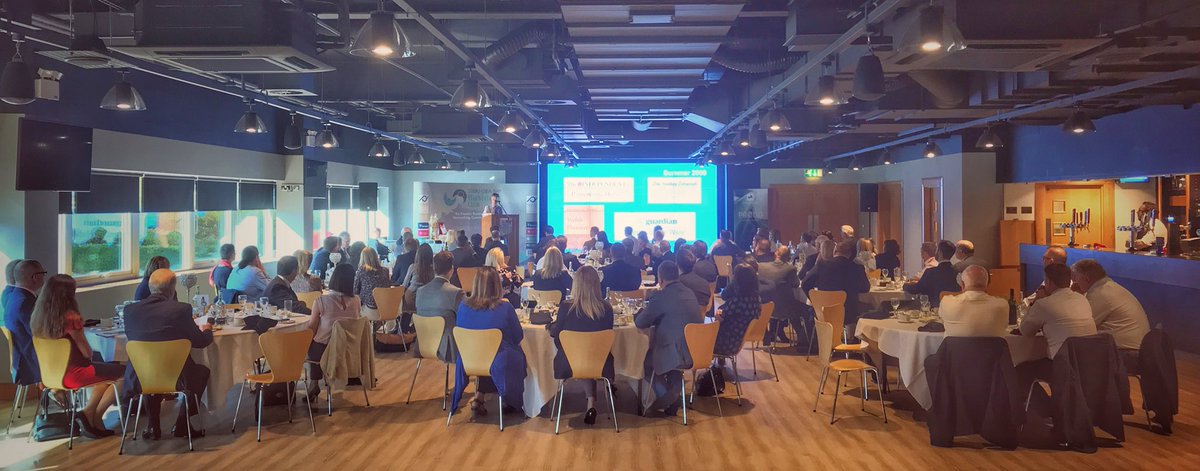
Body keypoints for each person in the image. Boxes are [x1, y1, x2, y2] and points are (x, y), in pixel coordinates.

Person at [122, 269, 212, 440]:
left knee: (151, 370)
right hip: (176, 375)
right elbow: (200, 342)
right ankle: (182, 424)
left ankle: (152, 426)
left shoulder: (130, 310)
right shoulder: (180, 310)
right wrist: (208, 330)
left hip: (140, 377)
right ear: (173, 288)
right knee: (201, 372)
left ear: (150, 287)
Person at [31, 274, 124, 438]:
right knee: (125, 374)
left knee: (104, 379)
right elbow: (87, 354)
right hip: (74, 374)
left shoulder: (38, 318)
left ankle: (91, 416)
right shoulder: (71, 319)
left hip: (51, 374)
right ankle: (92, 414)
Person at [450, 267, 527, 417]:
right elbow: (518, 337)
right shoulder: (505, 307)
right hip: (496, 360)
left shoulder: (463, 307)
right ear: (497, 285)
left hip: (469, 359)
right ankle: (510, 399)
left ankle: (479, 396)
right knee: (512, 355)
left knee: (487, 351)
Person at [548, 265, 614, 425]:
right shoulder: (606, 308)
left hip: (569, 363)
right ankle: (591, 403)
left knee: (580, 354)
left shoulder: (565, 307)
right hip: (600, 362)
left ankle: (591, 402)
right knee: (589, 354)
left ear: (576, 284)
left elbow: (558, 340)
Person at [635, 261, 701, 417]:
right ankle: (675, 390)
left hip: (676, 353)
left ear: (661, 279)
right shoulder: (690, 293)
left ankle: (668, 397)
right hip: (696, 350)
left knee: (643, 362)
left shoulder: (660, 297)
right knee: (668, 352)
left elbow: (641, 322)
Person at [1017, 263, 1097, 382]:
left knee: (1019, 370)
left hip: (1062, 365)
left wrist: (1036, 301)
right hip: (1090, 364)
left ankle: (1042, 401)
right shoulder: (1082, 299)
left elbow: (1025, 331)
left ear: (1048, 282)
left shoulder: (1044, 304)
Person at [1071, 259, 1150, 371]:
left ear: (1086, 278)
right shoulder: (1109, 287)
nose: (1073, 282)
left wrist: (1072, 296)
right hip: (1139, 350)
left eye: (1075, 278)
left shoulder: (1100, 294)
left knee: (1074, 356)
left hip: (1127, 354)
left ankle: (1086, 388)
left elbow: (1079, 325)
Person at [305, 264, 362, 401]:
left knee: (313, 343)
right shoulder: (356, 300)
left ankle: (314, 382)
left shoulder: (321, 301)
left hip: (325, 350)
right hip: (349, 348)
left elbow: (311, 328)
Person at [802, 239, 871, 324]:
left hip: (823, 311)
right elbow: (866, 288)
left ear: (834, 251)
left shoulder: (822, 265)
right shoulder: (857, 268)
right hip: (848, 313)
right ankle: (852, 336)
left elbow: (805, 283)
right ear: (849, 254)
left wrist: (815, 301)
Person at [415, 251, 464, 363]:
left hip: (423, 341)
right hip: (447, 346)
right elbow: (466, 318)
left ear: (434, 268)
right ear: (451, 269)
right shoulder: (456, 293)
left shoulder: (420, 291)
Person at [4, 260, 46, 388]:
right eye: (43, 273)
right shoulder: (25, 302)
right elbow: (40, 333)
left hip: (23, 356)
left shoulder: (13, 296)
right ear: (35, 277)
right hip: (31, 361)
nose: (44, 276)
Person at [938, 266, 1008, 337]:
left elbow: (941, 318)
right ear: (987, 284)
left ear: (962, 284)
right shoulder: (1002, 305)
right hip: (993, 348)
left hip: (955, 348)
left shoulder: (947, 302)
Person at [714, 263, 762, 358]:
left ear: (737, 280)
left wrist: (718, 315)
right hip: (738, 340)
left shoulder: (737, 301)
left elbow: (722, 317)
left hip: (725, 343)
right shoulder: (757, 300)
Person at [758, 246, 804, 344]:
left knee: (781, 302)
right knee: (805, 310)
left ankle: (772, 333)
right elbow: (796, 284)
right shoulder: (790, 268)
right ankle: (804, 338)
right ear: (788, 257)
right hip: (784, 307)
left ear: (775, 253)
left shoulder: (761, 266)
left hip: (764, 307)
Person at [903, 240, 961, 307]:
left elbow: (916, 289)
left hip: (932, 309)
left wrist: (905, 286)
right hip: (952, 308)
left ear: (940, 253)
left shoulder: (930, 272)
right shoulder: (957, 272)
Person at [401, 243, 436, 334]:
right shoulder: (434, 269)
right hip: (427, 300)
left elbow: (404, 285)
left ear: (418, 254)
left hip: (411, 299)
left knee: (404, 306)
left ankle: (403, 330)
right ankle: (416, 329)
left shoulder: (413, 267)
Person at [354, 247, 391, 320]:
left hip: (370, 309)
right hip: (386, 309)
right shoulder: (385, 271)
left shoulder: (362, 270)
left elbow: (355, 290)